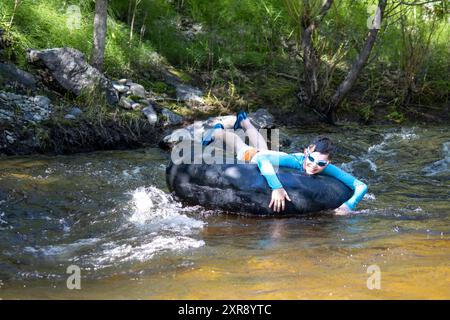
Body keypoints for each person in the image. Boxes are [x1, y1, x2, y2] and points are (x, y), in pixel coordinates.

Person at [202, 111, 368, 215]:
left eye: (321, 164)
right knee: (241, 146)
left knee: (263, 147)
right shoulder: (296, 160)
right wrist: (277, 187)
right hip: (257, 157)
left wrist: (349, 205)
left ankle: (244, 120)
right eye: (311, 159)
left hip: (274, 156)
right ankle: (218, 131)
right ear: (306, 152)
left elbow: (361, 186)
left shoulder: (327, 167)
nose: (314, 165)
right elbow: (261, 159)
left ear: (328, 162)